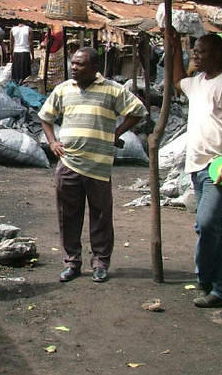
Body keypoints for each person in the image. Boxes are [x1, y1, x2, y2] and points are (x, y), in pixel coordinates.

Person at [39, 47, 148, 283]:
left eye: (80, 64)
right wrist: (52, 142)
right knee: (68, 216)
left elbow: (138, 111)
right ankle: (72, 262)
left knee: (100, 216)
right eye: (73, 63)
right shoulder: (63, 89)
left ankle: (100, 262)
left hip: (98, 165)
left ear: (94, 68)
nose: (74, 68)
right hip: (69, 163)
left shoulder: (112, 90)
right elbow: (45, 117)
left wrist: (116, 132)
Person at [172, 32, 222, 308]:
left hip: (219, 165)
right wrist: (172, 46)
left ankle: (205, 276)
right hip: (197, 166)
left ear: (217, 53)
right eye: (194, 51)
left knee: (205, 223)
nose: (196, 55)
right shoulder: (199, 83)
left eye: (201, 52)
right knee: (214, 226)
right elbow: (177, 81)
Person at [39, 25, 65, 91]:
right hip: (56, 56)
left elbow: (45, 44)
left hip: (52, 56)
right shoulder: (60, 32)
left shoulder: (54, 33)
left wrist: (43, 44)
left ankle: (48, 87)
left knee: (48, 74)